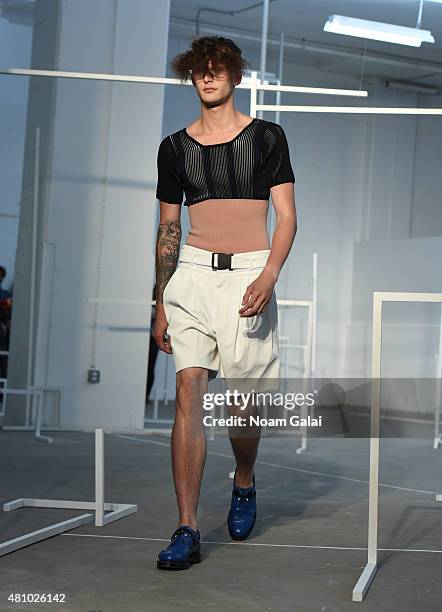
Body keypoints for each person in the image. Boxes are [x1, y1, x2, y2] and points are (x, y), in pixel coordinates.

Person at [153, 36, 297, 570]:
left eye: (217, 70)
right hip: (190, 274)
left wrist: (270, 274)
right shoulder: (174, 148)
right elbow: (169, 227)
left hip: (248, 276)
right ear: (191, 79)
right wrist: (162, 301)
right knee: (189, 389)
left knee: (243, 402)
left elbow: (287, 216)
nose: (207, 78)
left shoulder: (266, 138)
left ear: (235, 77)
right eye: (198, 72)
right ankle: (187, 527)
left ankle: (243, 481)